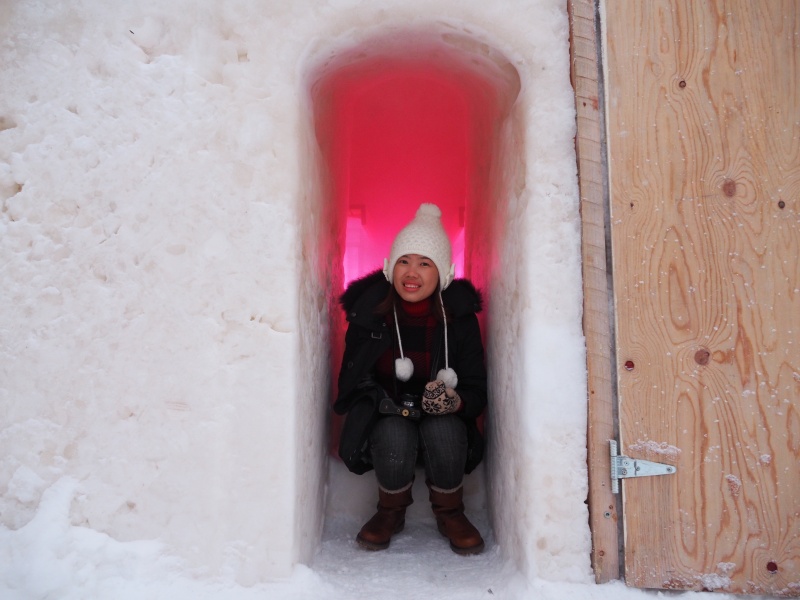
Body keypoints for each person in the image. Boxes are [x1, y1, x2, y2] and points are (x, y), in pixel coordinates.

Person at [334, 203, 488, 555]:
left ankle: (451, 512)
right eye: (404, 260)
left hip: (442, 421)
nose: (412, 272)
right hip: (389, 418)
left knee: (445, 429)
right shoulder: (370, 317)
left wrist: (455, 400)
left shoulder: (459, 321)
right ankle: (390, 511)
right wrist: (384, 402)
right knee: (393, 432)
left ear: (443, 274)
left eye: (425, 263)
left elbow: (478, 388)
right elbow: (351, 385)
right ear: (390, 267)